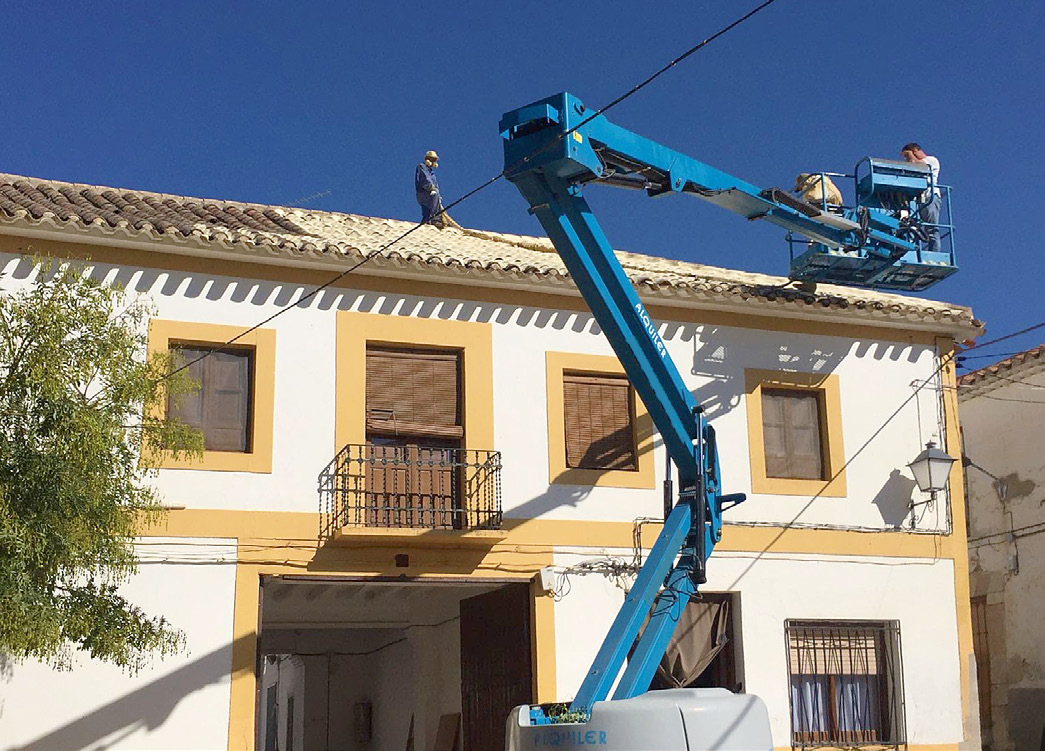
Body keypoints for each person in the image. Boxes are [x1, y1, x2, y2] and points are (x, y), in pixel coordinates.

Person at [900, 143, 942, 253]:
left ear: (914, 150)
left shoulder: (931, 160)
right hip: (919, 199)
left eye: (906, 155)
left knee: (932, 228)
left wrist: (910, 156)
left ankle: (934, 253)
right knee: (915, 226)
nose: (906, 159)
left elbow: (918, 165)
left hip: (930, 197)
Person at [414, 150, 460, 229]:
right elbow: (425, 179)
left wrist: (435, 190)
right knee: (434, 198)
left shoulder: (431, 172)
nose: (433, 162)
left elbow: (435, 183)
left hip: (429, 193)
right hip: (423, 193)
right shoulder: (422, 167)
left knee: (429, 208)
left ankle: (426, 222)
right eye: (432, 159)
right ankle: (435, 219)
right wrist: (431, 188)